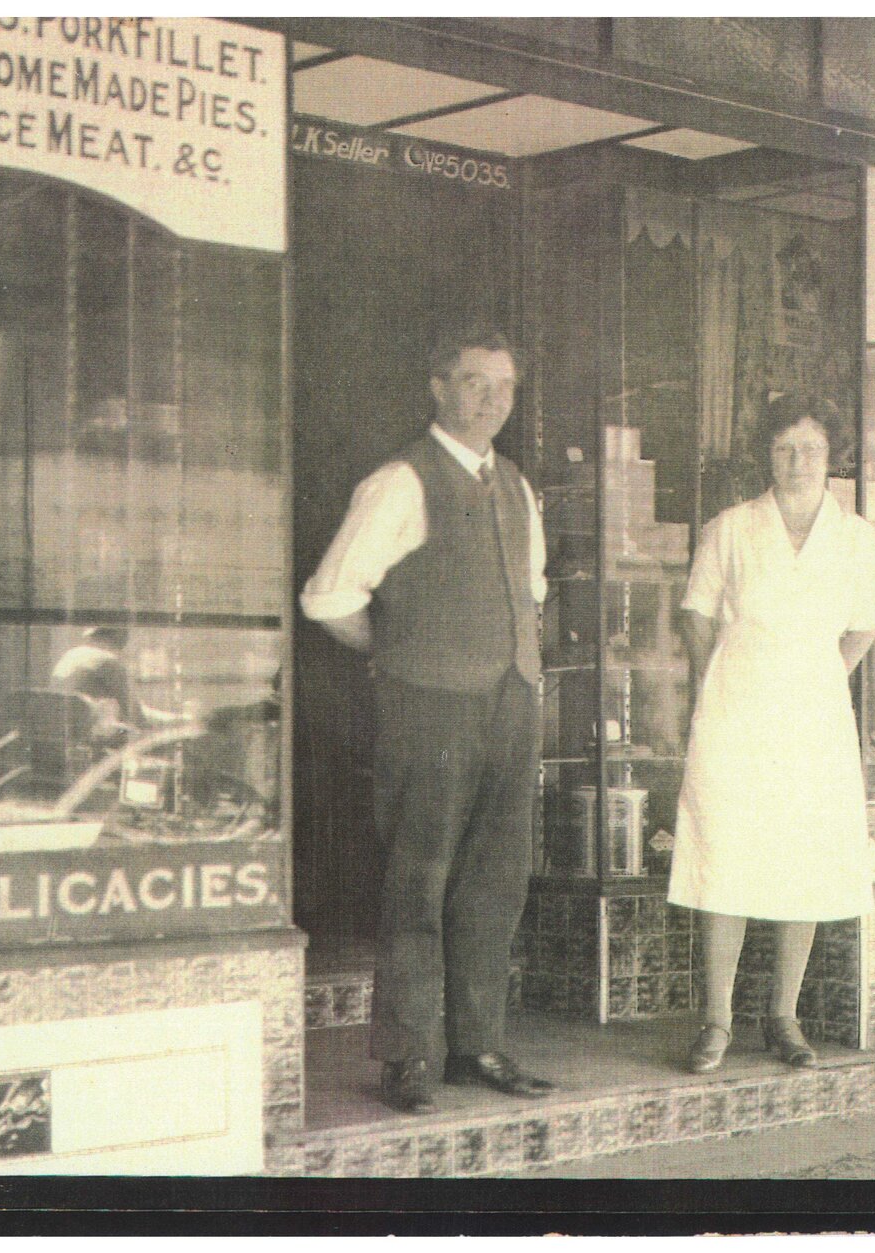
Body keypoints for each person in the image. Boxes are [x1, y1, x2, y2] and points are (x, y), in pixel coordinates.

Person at [300, 322, 556, 1115]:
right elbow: (329, 598)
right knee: (419, 877)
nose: (492, 400)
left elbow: (532, 593)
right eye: (476, 382)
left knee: (495, 878)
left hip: (510, 702)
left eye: (505, 387)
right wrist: (399, 650)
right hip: (430, 707)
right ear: (439, 387)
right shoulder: (399, 482)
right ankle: (408, 1052)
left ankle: (477, 1043)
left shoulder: (515, 484)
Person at [668, 393, 875, 1073]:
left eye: (810, 449)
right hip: (735, 713)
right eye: (784, 448)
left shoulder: (854, 537)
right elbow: (696, 613)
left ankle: (783, 1016)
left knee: (805, 861)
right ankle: (716, 1021)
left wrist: (814, 678)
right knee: (725, 856)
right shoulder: (731, 528)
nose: (797, 461)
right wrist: (720, 680)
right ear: (767, 455)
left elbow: (862, 627)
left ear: (830, 456)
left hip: (813, 719)